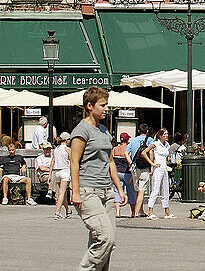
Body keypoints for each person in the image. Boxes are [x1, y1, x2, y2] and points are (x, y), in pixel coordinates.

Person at [70, 87, 126, 271]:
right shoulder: (81, 130)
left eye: (106, 105)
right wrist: (75, 192)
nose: (106, 109)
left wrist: (119, 188)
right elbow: (74, 163)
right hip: (88, 191)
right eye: (102, 105)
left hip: (106, 192)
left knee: (107, 245)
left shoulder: (103, 130)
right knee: (105, 238)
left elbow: (110, 162)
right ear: (89, 106)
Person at [143, 128, 174, 220]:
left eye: (167, 133)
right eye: (164, 134)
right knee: (156, 189)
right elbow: (144, 152)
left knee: (166, 189)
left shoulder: (167, 145)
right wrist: (152, 163)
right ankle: (150, 211)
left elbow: (167, 156)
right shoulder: (155, 144)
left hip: (164, 168)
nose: (166, 135)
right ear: (160, 135)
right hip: (158, 168)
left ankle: (167, 211)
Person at [126, 124, 152, 219]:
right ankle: (136, 212)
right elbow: (151, 152)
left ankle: (141, 211)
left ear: (138, 131)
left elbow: (126, 153)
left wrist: (131, 163)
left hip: (135, 168)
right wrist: (152, 165)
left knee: (137, 190)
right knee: (141, 191)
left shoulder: (133, 140)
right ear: (147, 131)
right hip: (144, 168)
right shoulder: (150, 140)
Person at [52, 133, 74, 218]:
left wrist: (50, 174)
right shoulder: (67, 149)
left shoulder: (56, 149)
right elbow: (72, 162)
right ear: (66, 140)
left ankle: (68, 210)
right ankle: (57, 212)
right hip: (65, 171)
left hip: (57, 172)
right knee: (61, 193)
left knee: (63, 193)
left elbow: (52, 162)